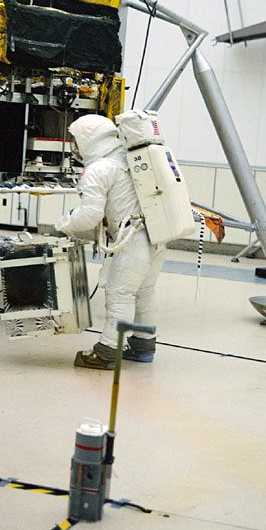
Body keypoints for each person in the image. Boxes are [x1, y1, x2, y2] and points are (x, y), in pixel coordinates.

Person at [55, 114, 166, 369]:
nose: (75, 147)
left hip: (132, 239)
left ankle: (106, 353)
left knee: (119, 294)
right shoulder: (128, 159)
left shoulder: (99, 169)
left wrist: (62, 225)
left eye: (77, 141)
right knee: (145, 293)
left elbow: (90, 215)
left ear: (88, 141)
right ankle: (143, 345)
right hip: (157, 237)